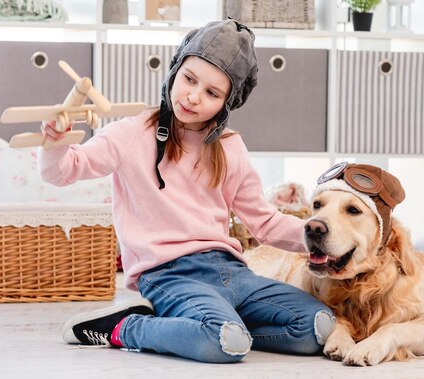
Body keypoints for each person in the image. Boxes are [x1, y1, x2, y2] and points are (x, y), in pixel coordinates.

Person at [39, 19, 335, 363]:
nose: (193, 97)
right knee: (223, 343)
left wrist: (326, 239)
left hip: (231, 271)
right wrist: (54, 143)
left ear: (227, 102)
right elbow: (62, 171)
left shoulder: (229, 147)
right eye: (189, 79)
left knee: (317, 327)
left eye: (212, 93)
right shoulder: (132, 133)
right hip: (168, 274)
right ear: (175, 71)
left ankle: (213, 328)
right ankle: (124, 328)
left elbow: (265, 223)